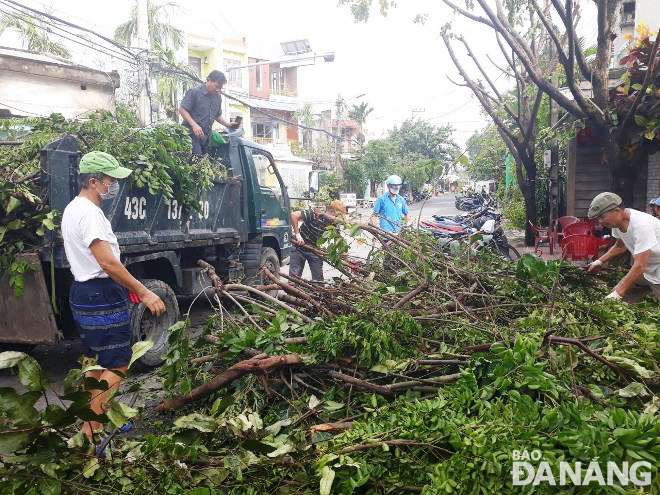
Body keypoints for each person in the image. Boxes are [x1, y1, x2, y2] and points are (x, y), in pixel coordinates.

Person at [61, 151, 166, 441]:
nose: (114, 184)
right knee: (119, 361)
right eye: (110, 179)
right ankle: (91, 429)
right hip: (101, 293)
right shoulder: (90, 214)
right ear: (94, 181)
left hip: (82, 291)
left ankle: (93, 418)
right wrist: (142, 291)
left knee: (94, 361)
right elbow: (107, 263)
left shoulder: (73, 208)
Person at [586, 192, 660, 303]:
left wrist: (618, 293)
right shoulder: (617, 223)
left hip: (656, 271)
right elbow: (620, 247)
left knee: (618, 293)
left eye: (602, 216)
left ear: (617, 211)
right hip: (646, 271)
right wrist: (599, 261)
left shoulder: (641, 225)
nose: (600, 222)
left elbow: (640, 266)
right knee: (615, 302)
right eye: (598, 218)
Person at [178, 70, 239, 155]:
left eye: (220, 88)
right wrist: (194, 125)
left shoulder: (217, 97)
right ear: (208, 80)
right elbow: (182, 109)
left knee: (205, 162)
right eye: (216, 86)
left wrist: (228, 124)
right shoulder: (194, 92)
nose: (218, 90)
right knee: (196, 158)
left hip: (206, 137)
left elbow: (217, 115)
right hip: (191, 134)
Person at [290, 200, 346, 281]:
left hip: (314, 249)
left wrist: (345, 257)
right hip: (298, 247)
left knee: (318, 279)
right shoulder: (315, 214)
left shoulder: (334, 224)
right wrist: (298, 236)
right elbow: (293, 215)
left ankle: (317, 292)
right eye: (337, 216)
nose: (337, 219)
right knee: (294, 278)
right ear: (331, 211)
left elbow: (339, 241)